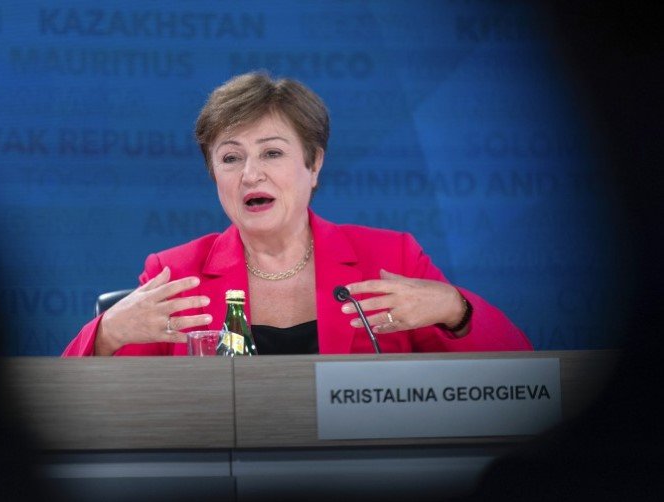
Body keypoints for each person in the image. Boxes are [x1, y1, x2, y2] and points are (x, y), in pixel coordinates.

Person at [63, 72, 532, 357]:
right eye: (230, 158)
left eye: (272, 153)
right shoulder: (177, 275)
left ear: (314, 164)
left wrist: (455, 309)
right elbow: (70, 405)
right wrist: (108, 334)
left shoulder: (390, 258)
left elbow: (518, 371)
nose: (250, 174)